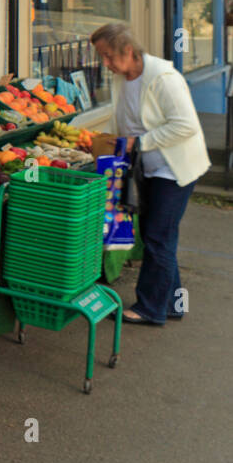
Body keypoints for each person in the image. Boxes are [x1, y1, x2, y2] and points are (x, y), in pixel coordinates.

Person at [90, 22, 210, 325]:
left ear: (128, 51)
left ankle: (149, 308)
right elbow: (126, 120)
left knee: (158, 237)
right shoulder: (124, 77)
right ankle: (172, 303)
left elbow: (186, 125)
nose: (105, 64)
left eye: (108, 56)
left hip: (173, 169)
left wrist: (141, 142)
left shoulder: (164, 78)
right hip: (148, 168)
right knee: (159, 236)